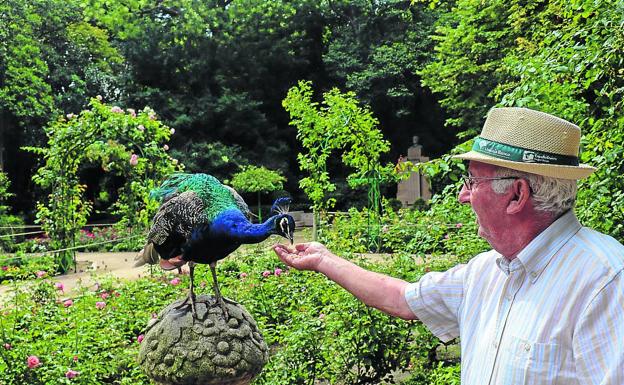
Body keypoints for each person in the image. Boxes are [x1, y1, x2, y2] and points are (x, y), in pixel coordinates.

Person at [273, 107, 624, 385]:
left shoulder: (605, 282)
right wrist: (324, 259)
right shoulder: (487, 272)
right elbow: (403, 297)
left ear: (517, 194)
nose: (462, 195)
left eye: (472, 181)